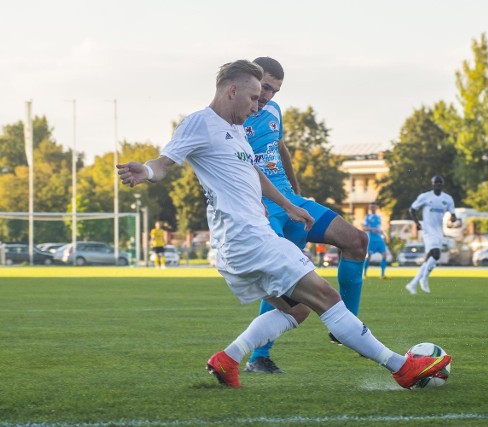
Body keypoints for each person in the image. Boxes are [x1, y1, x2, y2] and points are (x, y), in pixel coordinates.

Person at [116, 59, 450, 390]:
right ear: (232, 91)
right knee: (327, 298)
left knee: (299, 310)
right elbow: (163, 163)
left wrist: (290, 205)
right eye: (253, 97)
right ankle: (402, 367)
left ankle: (229, 358)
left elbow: (254, 173)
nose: (257, 106)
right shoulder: (199, 123)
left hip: (237, 247)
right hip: (250, 240)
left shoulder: (234, 129)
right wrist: (144, 172)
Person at [243, 57, 369, 373]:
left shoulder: (272, 111)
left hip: (292, 202)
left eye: (274, 90)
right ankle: (258, 357)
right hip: (261, 209)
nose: (268, 96)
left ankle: (346, 326)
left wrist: (296, 194)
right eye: (265, 88)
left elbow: (279, 147)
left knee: (356, 240)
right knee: (282, 280)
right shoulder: (230, 118)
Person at [405, 175, 458, 294]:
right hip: (428, 231)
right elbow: (412, 209)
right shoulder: (425, 197)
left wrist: (453, 219)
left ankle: (413, 284)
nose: (438, 185)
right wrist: (417, 223)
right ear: (432, 184)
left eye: (440, 183)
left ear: (443, 185)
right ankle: (423, 278)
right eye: (436, 183)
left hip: (439, 232)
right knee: (436, 254)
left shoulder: (447, 199)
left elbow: (453, 214)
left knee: (430, 259)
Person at [362, 203, 389, 279]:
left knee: (384, 255)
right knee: (368, 256)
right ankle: (364, 274)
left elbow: (379, 228)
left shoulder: (378, 217)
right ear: (370, 208)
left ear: (376, 207)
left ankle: (382, 275)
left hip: (379, 239)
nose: (373, 208)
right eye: (372, 207)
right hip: (371, 239)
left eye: (374, 206)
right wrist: (372, 229)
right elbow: (364, 228)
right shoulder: (367, 217)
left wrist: (384, 235)